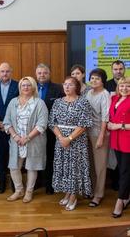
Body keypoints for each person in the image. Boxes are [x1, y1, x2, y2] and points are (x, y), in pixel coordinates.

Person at [48, 76, 92, 211]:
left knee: (75, 169)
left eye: (70, 85)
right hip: (60, 141)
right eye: (65, 84)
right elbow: (52, 122)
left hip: (77, 142)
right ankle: (67, 191)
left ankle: (74, 195)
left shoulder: (83, 102)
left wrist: (69, 138)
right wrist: (61, 137)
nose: (67, 87)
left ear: (76, 87)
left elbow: (84, 124)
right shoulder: (57, 102)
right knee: (64, 168)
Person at [3, 77, 48, 203]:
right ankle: (19, 190)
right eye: (23, 85)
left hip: (33, 141)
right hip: (16, 141)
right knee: (14, 167)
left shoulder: (39, 103)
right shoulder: (13, 102)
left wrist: (27, 138)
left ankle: (29, 192)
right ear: (20, 87)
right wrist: (16, 137)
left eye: (28, 85)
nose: (26, 87)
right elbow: (7, 122)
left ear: (33, 87)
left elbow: (42, 124)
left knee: (31, 167)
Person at [35, 63, 64, 195]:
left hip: (53, 129)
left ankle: (50, 183)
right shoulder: (30, 87)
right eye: (39, 73)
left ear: (49, 74)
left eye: (44, 72)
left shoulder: (58, 88)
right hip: (34, 130)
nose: (42, 75)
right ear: (36, 74)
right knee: (36, 155)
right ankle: (37, 182)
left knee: (51, 156)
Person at [0, 62, 19, 194]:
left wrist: (9, 124)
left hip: (14, 128)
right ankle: (2, 181)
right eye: (2, 71)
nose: (5, 74)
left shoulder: (17, 85)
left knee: (14, 156)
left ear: (11, 72)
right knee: (0, 156)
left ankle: (15, 183)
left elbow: (20, 106)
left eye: (7, 71)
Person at [85, 68, 110, 207]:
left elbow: (105, 118)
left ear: (102, 81)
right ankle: (93, 190)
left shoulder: (105, 94)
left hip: (99, 134)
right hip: (87, 133)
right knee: (91, 164)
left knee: (100, 166)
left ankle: (99, 195)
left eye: (97, 78)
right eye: (92, 78)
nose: (94, 80)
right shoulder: (89, 92)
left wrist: (101, 136)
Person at [108, 77, 130, 218]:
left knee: (125, 172)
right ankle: (127, 196)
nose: (124, 88)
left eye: (128, 86)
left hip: (128, 141)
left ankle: (120, 200)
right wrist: (110, 124)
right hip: (116, 141)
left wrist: (118, 126)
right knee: (123, 169)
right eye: (122, 85)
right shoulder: (115, 98)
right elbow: (112, 116)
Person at [105, 60, 126, 191]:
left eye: (120, 69)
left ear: (124, 69)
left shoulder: (128, 84)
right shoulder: (106, 85)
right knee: (113, 157)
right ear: (111, 70)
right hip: (110, 127)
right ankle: (115, 181)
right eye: (116, 69)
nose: (118, 71)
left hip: (125, 128)